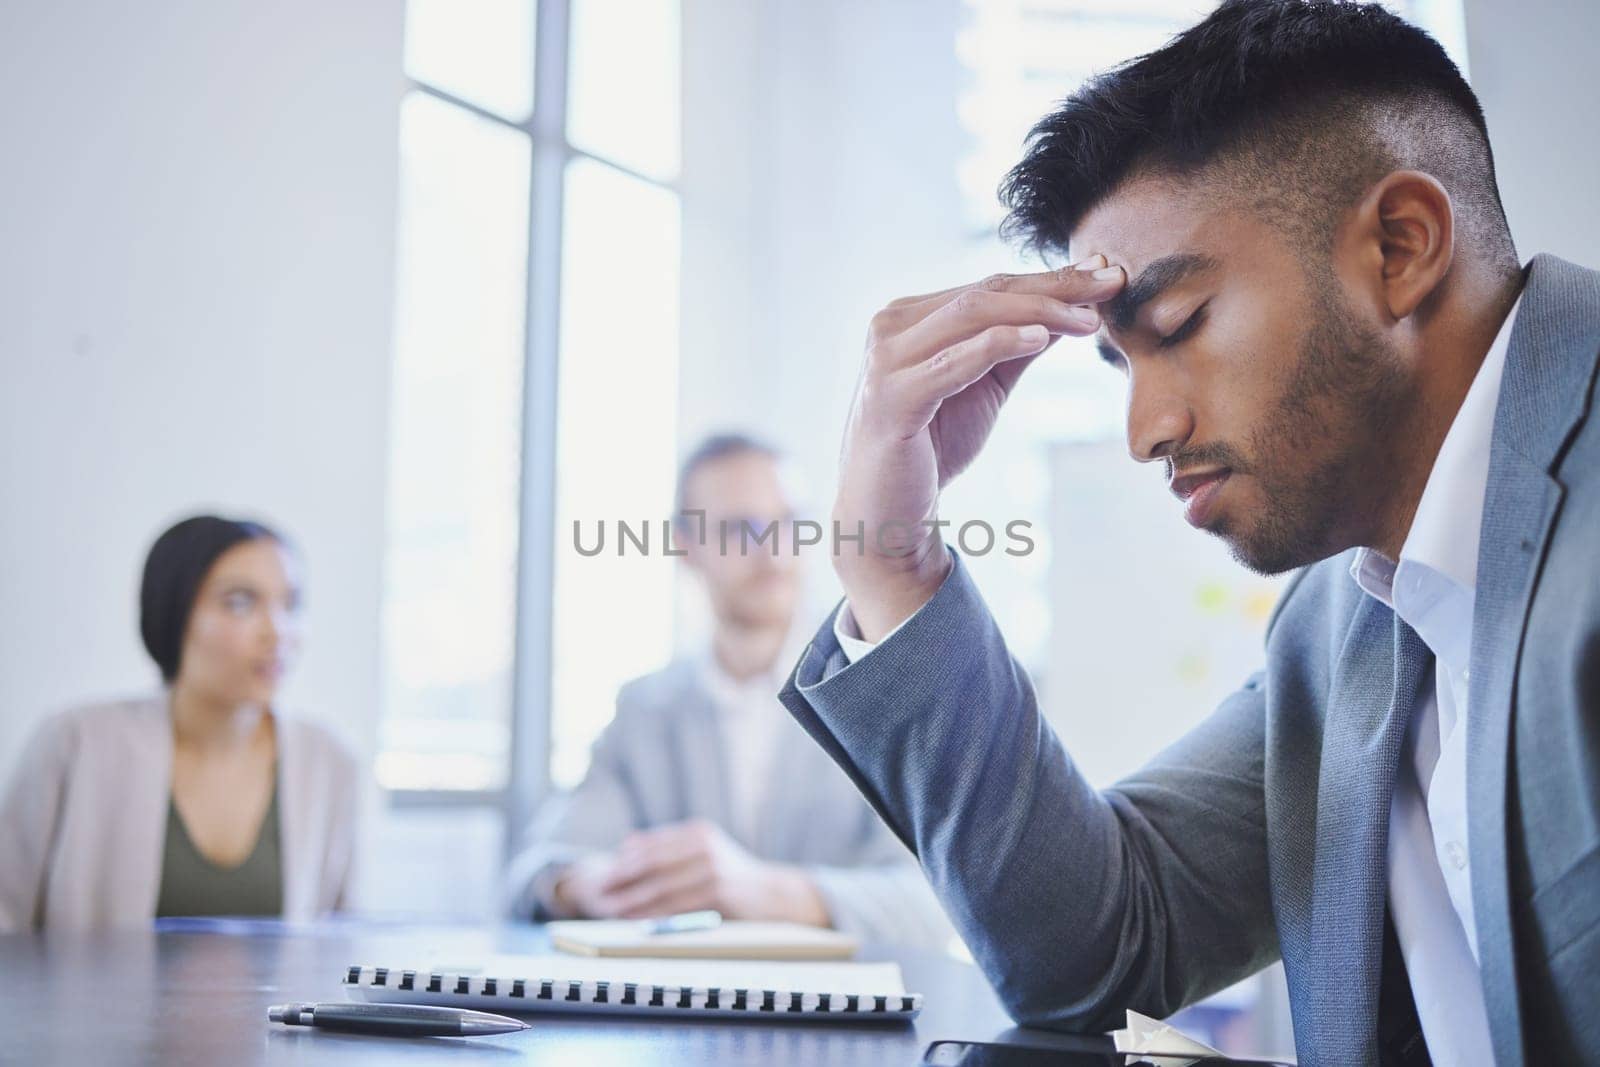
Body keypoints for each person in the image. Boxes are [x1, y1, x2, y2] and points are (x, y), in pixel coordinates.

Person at [777, 2, 1597, 1064]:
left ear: (1400, 246)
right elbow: (1100, 950)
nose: (1145, 429)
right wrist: (891, 562)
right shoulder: (1343, 622)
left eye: (1177, 328)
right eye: (1121, 364)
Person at [505, 434, 950, 949]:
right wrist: (592, 886)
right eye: (742, 529)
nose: (773, 549)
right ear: (685, 547)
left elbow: (938, 904)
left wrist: (765, 892)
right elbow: (533, 874)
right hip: (678, 1017)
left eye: (789, 523)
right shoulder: (644, 712)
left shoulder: (882, 695)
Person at [0, 515, 359, 930]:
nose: (277, 632)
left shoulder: (329, 762)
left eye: (291, 604)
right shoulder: (75, 742)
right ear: (173, 612)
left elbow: (343, 942)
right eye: (240, 602)